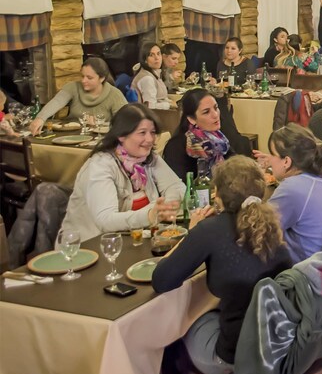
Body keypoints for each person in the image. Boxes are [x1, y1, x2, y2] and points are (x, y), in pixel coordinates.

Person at [152, 155, 291, 374]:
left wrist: (190, 233)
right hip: (279, 346)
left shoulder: (209, 230)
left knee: (176, 327)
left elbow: (162, 280)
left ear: (218, 195)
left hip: (235, 359)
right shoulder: (271, 227)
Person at [60, 103, 184, 242]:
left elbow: (177, 188)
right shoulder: (100, 166)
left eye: (153, 132)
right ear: (121, 135)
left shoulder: (147, 158)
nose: (150, 139)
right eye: (142, 133)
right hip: (90, 246)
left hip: (132, 240)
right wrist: (149, 215)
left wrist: (165, 206)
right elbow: (105, 220)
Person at [253, 125, 322, 263]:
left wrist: (250, 199)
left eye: (272, 154)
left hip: (316, 274)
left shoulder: (292, 188)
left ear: (287, 161)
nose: (270, 159)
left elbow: (260, 229)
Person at [29, 57, 127, 135]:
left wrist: (100, 126)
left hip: (100, 141)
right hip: (69, 137)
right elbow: (57, 102)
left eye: (89, 78)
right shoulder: (73, 87)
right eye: (82, 76)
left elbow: (125, 123)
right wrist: (40, 118)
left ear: (102, 78)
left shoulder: (115, 95)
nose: (84, 80)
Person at [162, 88, 238, 179]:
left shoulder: (218, 137)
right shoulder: (177, 146)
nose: (215, 115)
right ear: (191, 119)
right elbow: (180, 186)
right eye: (206, 112)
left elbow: (237, 166)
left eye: (216, 108)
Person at [131, 42, 174, 110]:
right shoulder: (147, 78)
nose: (156, 58)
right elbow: (150, 106)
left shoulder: (155, 73)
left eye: (158, 54)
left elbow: (161, 97)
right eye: (151, 55)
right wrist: (168, 105)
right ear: (145, 60)